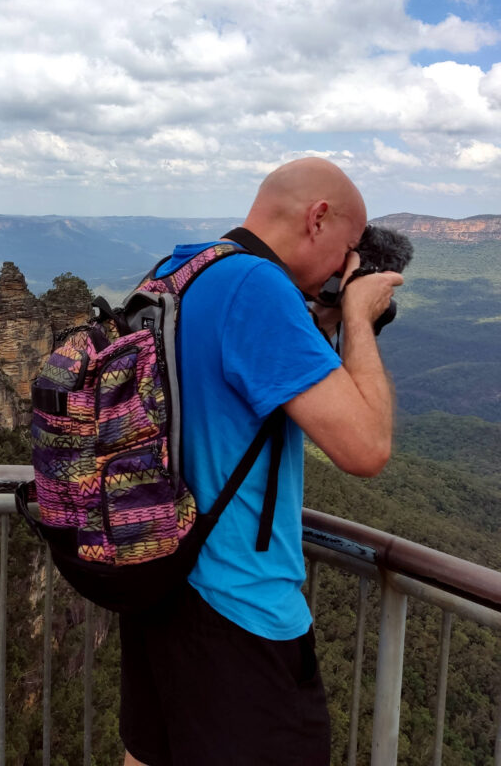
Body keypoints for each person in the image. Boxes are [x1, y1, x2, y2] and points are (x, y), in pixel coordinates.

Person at [120, 157, 403, 766]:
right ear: (318, 218)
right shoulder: (258, 288)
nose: (343, 270)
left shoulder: (181, 269)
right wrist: (356, 319)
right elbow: (366, 449)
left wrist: (318, 321)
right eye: (347, 252)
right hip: (239, 609)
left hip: (161, 581)